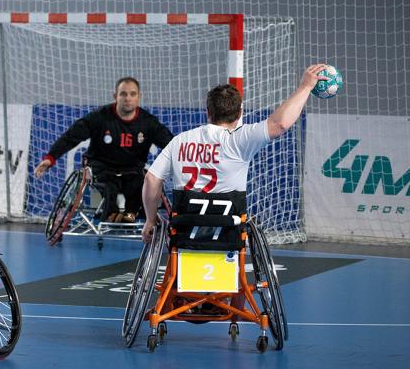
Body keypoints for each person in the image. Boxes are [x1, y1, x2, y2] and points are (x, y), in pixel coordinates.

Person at [141, 64, 330, 241]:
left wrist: (150, 220)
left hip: (184, 232)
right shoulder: (239, 140)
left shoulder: (179, 141)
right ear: (239, 114)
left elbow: (151, 179)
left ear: (208, 112)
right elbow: (279, 124)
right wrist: (305, 87)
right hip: (228, 233)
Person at [34, 77, 173, 222]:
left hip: (132, 170)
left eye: (132, 94)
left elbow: (171, 144)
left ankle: (130, 214)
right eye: (123, 94)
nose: (128, 98)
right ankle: (110, 215)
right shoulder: (100, 117)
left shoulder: (148, 122)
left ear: (139, 97)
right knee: (109, 188)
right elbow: (71, 136)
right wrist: (50, 158)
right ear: (115, 96)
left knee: (142, 183)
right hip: (102, 168)